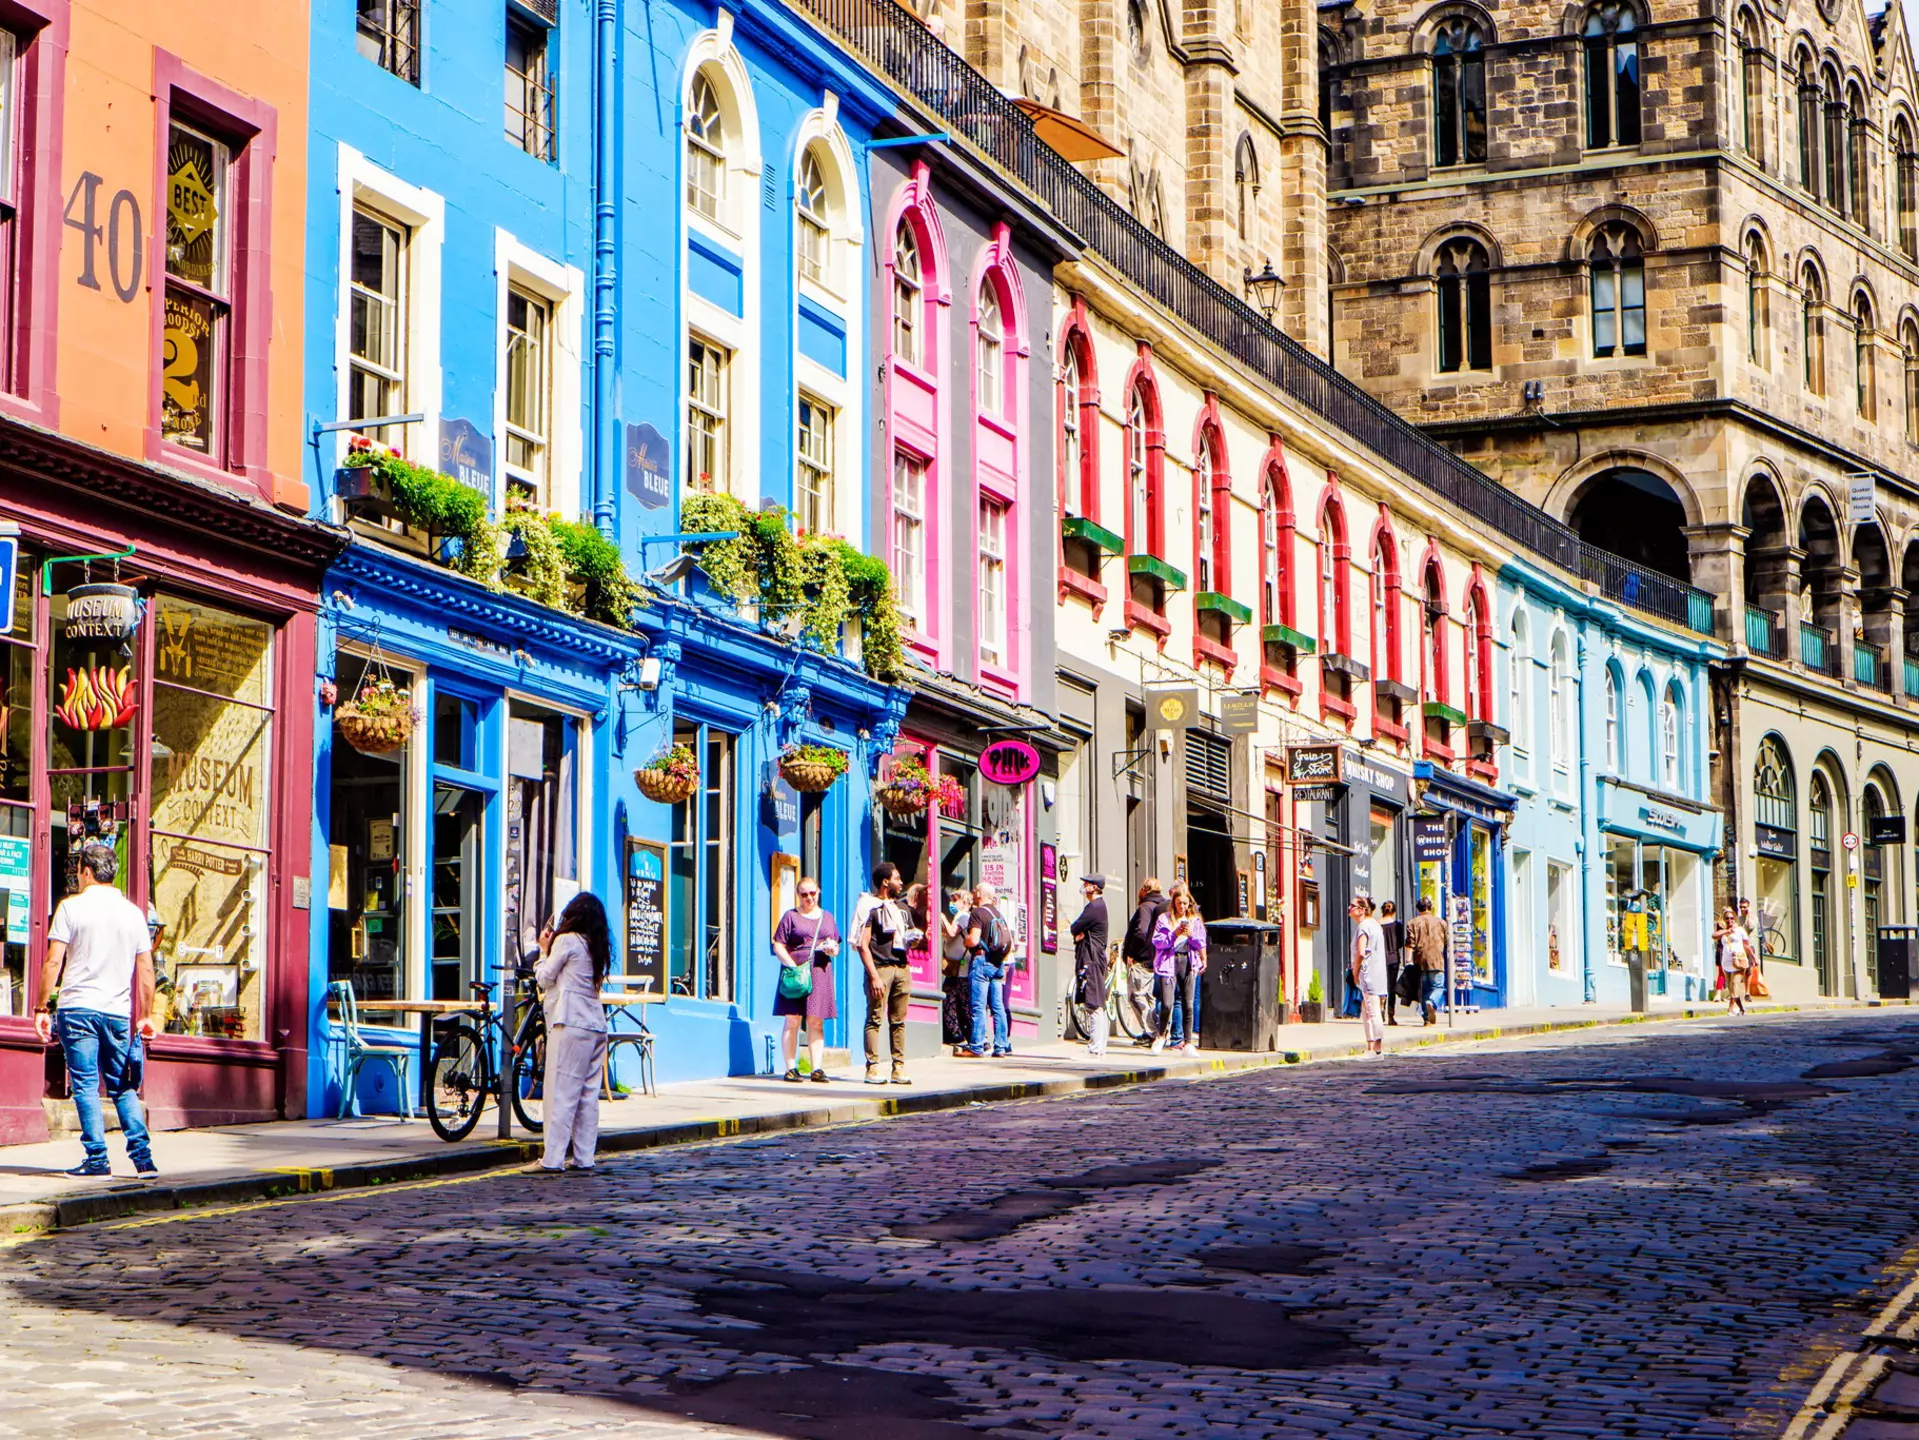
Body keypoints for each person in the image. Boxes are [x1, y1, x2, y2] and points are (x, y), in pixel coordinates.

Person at [35, 843, 158, 1179]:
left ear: (86, 871)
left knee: (86, 1086)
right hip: (117, 1012)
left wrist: (41, 1006)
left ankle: (97, 1159)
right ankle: (144, 1160)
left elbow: (52, 961)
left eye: (78, 871)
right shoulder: (134, 914)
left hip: (78, 1009)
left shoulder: (71, 908)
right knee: (122, 1086)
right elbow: (146, 970)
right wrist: (146, 1015)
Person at [532, 892, 613, 1173]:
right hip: (596, 1026)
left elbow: (545, 978)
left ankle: (552, 1159)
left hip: (571, 1024)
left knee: (560, 1094)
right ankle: (584, 1157)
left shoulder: (567, 941)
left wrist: (543, 950)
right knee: (588, 1097)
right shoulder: (595, 946)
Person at [773, 878, 840, 1083]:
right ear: (797, 894)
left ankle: (817, 1068)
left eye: (812, 893)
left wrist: (833, 950)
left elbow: (836, 944)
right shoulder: (790, 917)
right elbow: (778, 944)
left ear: (818, 892)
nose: (809, 898)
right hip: (796, 973)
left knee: (816, 1021)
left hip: (820, 971)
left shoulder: (827, 917)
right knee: (792, 1019)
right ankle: (791, 1068)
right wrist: (790, 964)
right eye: (804, 894)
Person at [857, 862, 913, 1085]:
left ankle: (898, 1068)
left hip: (902, 968)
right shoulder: (869, 907)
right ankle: (872, 1069)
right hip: (880, 969)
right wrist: (873, 976)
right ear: (885, 882)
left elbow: (907, 937)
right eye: (897, 878)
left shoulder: (902, 908)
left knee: (898, 1021)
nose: (901, 883)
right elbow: (863, 944)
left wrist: (916, 939)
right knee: (875, 1019)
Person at [1150, 884, 1207, 1055]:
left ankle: (1188, 1043)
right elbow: (1158, 941)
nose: (1182, 907)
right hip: (1169, 962)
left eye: (1185, 903)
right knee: (1167, 1003)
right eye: (1179, 903)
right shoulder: (1164, 919)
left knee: (1188, 1004)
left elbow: (1201, 942)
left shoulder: (1195, 921)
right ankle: (1161, 1036)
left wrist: (1191, 935)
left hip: (1188, 962)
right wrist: (1174, 934)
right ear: (1173, 903)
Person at [961, 882, 1015, 1058]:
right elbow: (1011, 945)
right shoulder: (999, 915)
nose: (974, 893)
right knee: (998, 1007)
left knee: (978, 1006)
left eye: (976, 891)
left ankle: (976, 1046)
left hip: (982, 961)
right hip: (998, 964)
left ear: (980, 895)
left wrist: (966, 941)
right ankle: (1000, 1046)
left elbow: (974, 940)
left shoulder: (977, 913)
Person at [1123, 878, 1168, 1048]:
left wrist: (1133, 954)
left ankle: (1151, 1033)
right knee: (1149, 997)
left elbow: (1141, 931)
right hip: (1156, 958)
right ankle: (1155, 1031)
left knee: (1137, 996)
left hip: (1142, 959)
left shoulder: (1145, 907)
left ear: (1145, 890)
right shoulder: (1162, 906)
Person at [1070, 874, 1111, 1057]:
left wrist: (1081, 934)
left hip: (1091, 959)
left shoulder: (1094, 907)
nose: (1084, 886)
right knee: (1098, 1004)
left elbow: (1074, 927)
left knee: (1093, 1003)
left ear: (1094, 887)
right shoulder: (1100, 907)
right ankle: (1099, 1046)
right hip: (1097, 958)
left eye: (1087, 884)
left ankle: (1095, 1047)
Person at [1350, 894, 1389, 1057]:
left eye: (1352, 906)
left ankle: (1375, 1047)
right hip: (1378, 973)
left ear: (1361, 910)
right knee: (1369, 1009)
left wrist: (1355, 971)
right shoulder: (1375, 925)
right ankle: (1372, 1046)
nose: (1349, 909)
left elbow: (1360, 952)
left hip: (1368, 973)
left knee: (1371, 1012)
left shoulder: (1364, 927)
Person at [939, 887, 974, 1054]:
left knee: (957, 1000)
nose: (952, 903)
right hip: (958, 967)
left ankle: (965, 1035)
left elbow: (953, 932)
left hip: (961, 968)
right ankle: (957, 1034)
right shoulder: (961, 917)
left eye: (955, 900)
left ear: (965, 902)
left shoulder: (963, 916)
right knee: (952, 999)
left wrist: (943, 917)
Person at [1407, 896, 1448, 1026]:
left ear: (1418, 908)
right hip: (1436, 960)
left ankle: (1427, 1019)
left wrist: (1408, 960)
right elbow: (1447, 941)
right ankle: (1432, 1002)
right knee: (1438, 987)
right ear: (1430, 907)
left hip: (1420, 961)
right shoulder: (1441, 923)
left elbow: (1410, 943)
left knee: (1424, 989)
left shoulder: (1412, 923)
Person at [1717, 904, 1751, 1016]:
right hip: (1726, 963)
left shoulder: (1740, 930)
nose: (1729, 920)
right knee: (1731, 986)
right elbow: (1713, 935)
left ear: (1735, 919)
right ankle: (1741, 1008)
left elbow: (1747, 945)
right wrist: (1726, 931)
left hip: (1739, 961)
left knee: (1734, 984)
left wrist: (1754, 958)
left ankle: (1730, 1008)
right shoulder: (1723, 931)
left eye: (1732, 918)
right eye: (1727, 918)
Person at [1378, 900, 1406, 1027]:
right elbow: (1400, 943)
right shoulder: (1398, 926)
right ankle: (1391, 1015)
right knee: (1391, 988)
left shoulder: (1377, 925)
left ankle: (1380, 1009)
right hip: (1393, 959)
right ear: (1393, 912)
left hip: (1379, 959)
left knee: (1379, 986)